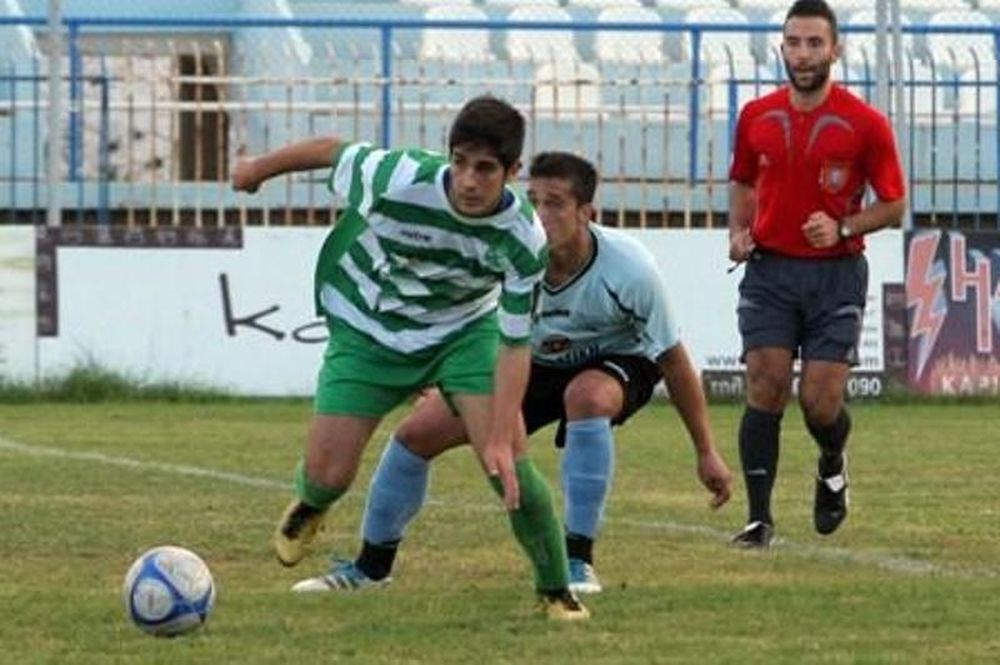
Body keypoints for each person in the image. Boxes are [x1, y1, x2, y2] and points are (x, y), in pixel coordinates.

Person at [308, 151, 733, 595]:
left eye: (555, 203)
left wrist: (706, 451)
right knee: (416, 434)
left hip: (619, 361)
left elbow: (673, 359)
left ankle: (577, 560)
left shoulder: (631, 269)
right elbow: (459, 316)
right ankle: (372, 568)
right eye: (533, 200)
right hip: (528, 365)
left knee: (587, 397)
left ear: (586, 213)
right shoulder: (503, 251)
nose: (540, 214)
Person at [231, 96, 588, 620]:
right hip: (368, 326)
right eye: (460, 162)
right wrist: (256, 170)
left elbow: (514, 345)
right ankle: (313, 502)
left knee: (507, 460)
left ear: (513, 173)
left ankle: (556, 590)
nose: (468, 180)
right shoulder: (398, 176)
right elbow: (332, 151)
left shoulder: (522, 238)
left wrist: (495, 435)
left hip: (462, 334)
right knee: (329, 472)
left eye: (485, 168)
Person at [727, 0, 906, 548]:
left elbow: (894, 205)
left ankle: (832, 459)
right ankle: (758, 520)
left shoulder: (866, 124)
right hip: (770, 271)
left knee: (820, 401)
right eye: (793, 43)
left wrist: (845, 224)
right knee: (766, 383)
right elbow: (742, 183)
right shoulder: (756, 115)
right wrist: (737, 232)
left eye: (813, 43)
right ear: (781, 48)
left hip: (835, 275)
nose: (802, 54)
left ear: (835, 49)